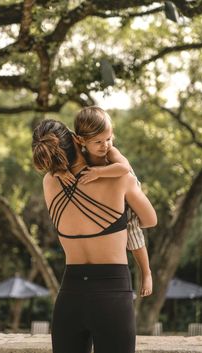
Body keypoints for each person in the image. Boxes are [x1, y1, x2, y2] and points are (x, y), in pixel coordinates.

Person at [32, 118, 157, 353]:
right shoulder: (120, 178)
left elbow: (55, 168)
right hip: (111, 295)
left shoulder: (49, 181)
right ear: (77, 140)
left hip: (70, 296)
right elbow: (150, 220)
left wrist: (59, 169)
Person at [56, 106, 152, 297]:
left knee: (133, 231)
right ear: (81, 140)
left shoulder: (111, 153)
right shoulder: (78, 155)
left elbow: (124, 169)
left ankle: (146, 272)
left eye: (108, 139)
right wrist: (60, 171)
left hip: (126, 194)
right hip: (107, 198)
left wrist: (99, 172)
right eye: (98, 141)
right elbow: (57, 164)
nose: (105, 145)